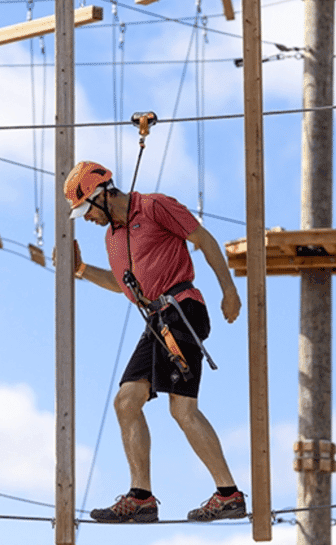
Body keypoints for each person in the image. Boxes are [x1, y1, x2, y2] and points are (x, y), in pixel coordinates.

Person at [62, 161, 245, 523]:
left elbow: (204, 240)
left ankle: (229, 495)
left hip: (182, 311)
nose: (87, 219)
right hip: (156, 321)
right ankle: (141, 498)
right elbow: (121, 285)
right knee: (126, 401)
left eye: (86, 210)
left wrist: (229, 290)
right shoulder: (112, 238)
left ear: (101, 194)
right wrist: (80, 270)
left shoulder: (155, 206)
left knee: (182, 409)